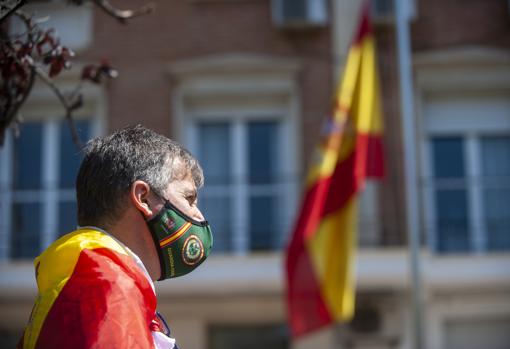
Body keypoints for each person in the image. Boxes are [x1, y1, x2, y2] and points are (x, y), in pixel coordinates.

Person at [17, 125, 213, 349]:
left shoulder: (89, 282)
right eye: (189, 198)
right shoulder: (105, 287)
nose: (198, 215)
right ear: (144, 198)